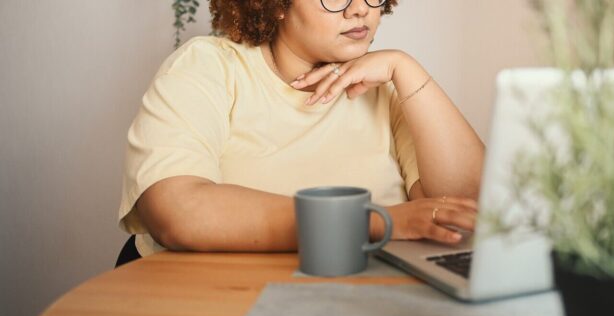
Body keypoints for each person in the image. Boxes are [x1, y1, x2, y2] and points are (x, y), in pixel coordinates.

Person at [117, 0, 485, 259]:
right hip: (213, 300)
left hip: (359, 303)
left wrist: (406, 69)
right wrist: (371, 221)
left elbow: (466, 209)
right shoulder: (208, 68)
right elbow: (176, 211)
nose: (361, 8)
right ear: (277, 3)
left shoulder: (386, 88)